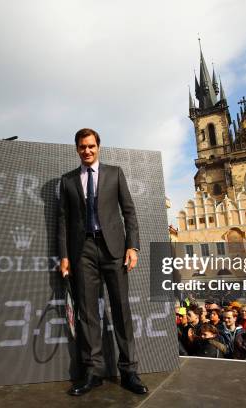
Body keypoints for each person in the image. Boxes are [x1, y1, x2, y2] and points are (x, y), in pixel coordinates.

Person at [58, 128, 147, 396]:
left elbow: (129, 212)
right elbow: (62, 220)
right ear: (77, 149)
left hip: (114, 250)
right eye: (82, 147)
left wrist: (133, 246)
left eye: (91, 146)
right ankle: (93, 371)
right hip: (82, 250)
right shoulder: (68, 181)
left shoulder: (115, 173)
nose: (87, 151)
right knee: (86, 313)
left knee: (120, 309)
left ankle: (129, 370)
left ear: (99, 147)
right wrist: (64, 256)